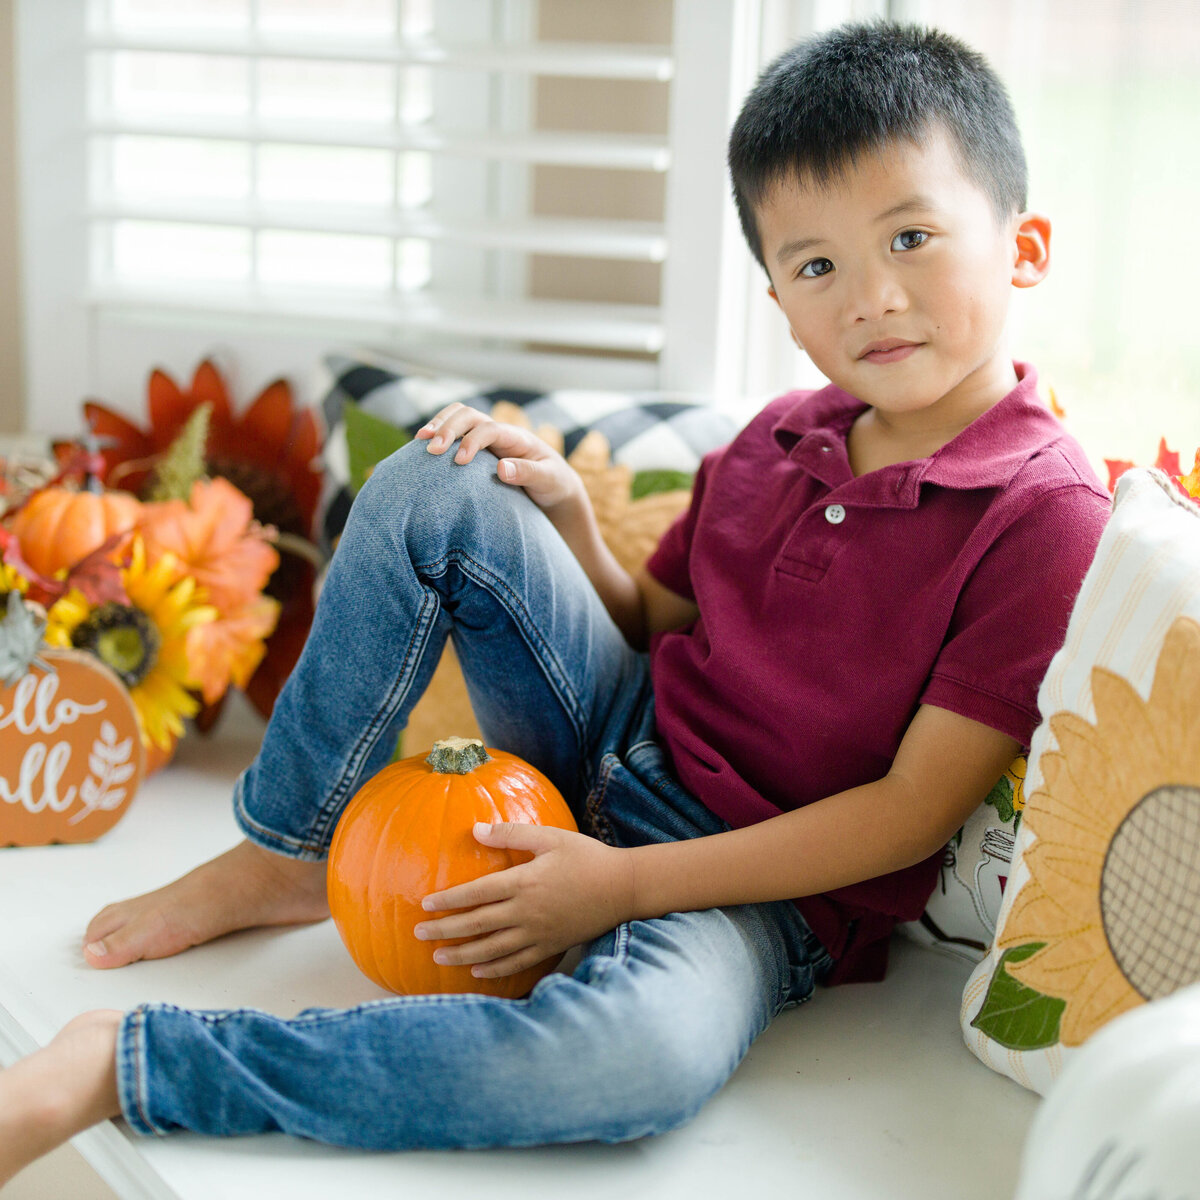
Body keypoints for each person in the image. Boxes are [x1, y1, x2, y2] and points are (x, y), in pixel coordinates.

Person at [0, 20, 1111, 1179]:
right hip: (608, 743)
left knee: (633, 1063)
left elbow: (905, 817)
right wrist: (569, 513)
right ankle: (291, 848)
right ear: (781, 298)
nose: (874, 297)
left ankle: (127, 1064)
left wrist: (619, 887)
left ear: (1023, 245)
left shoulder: (1046, 514)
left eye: (913, 237)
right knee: (442, 478)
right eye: (819, 265)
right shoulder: (783, 435)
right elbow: (655, 629)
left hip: (750, 893)